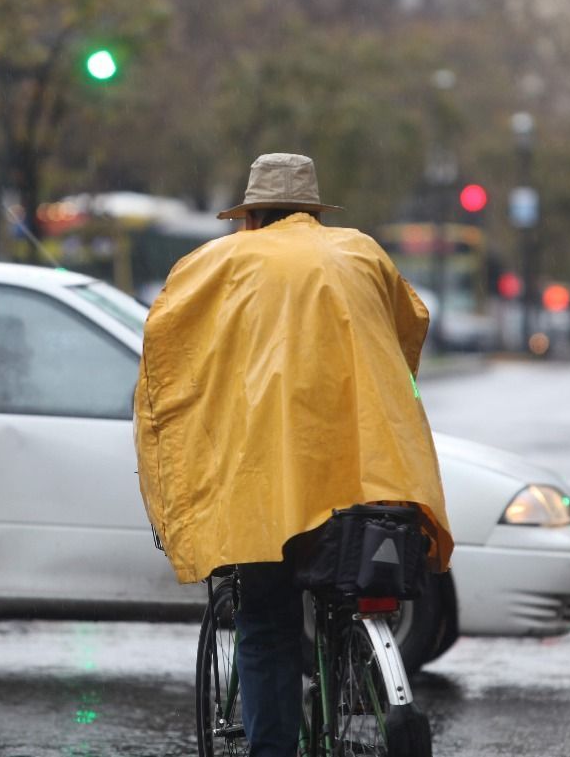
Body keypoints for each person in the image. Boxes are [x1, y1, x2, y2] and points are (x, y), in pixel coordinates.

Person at [134, 152, 453, 757]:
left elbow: (166, 348)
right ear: (312, 210)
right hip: (364, 480)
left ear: (250, 217)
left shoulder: (214, 265)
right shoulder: (360, 254)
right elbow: (409, 328)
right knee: (346, 590)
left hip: (266, 486)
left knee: (265, 623)